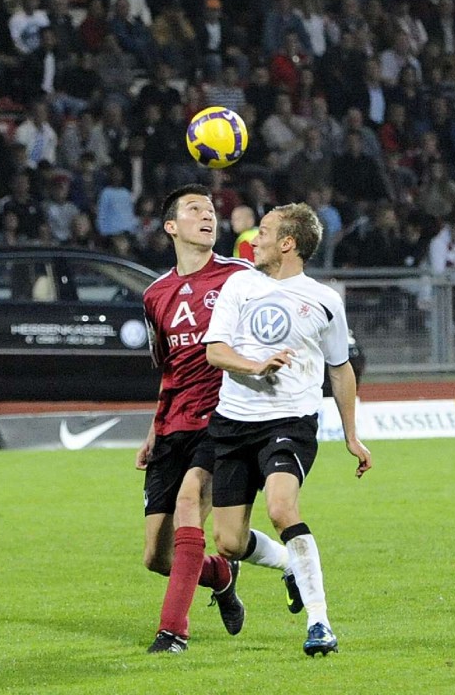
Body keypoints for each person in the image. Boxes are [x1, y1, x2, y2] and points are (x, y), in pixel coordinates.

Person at [136, 184, 302, 654]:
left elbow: (278, 314)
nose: (208, 216)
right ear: (171, 226)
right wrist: (153, 431)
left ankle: (172, 632)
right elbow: (168, 368)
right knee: (157, 557)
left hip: (224, 418)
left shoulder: (240, 277)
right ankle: (222, 574)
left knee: (191, 499)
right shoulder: (154, 295)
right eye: (195, 210)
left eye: (211, 210)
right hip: (173, 426)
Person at [203, 203, 372, 657]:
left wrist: (352, 435)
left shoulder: (324, 300)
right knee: (229, 542)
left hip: (290, 421)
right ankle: (289, 565)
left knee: (281, 509)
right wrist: (255, 366)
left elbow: (341, 370)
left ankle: (320, 623)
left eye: (263, 233)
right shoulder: (239, 284)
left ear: (287, 243)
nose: (253, 240)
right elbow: (216, 352)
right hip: (234, 421)